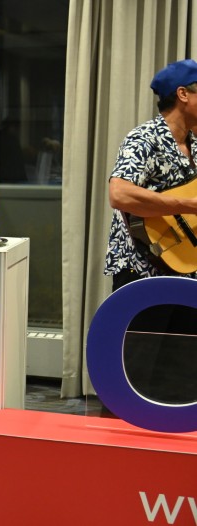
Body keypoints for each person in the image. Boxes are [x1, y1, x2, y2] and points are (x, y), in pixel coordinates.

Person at [104, 59, 197, 407]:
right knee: (135, 368)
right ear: (183, 94)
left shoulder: (195, 145)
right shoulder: (145, 138)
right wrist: (186, 205)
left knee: (182, 371)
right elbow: (120, 193)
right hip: (143, 271)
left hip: (187, 271)